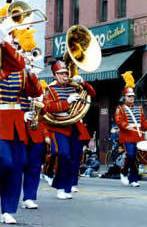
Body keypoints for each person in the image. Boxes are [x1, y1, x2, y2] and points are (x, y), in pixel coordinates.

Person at [0, 23, 42, 224]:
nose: (16, 48)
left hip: (16, 120)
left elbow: (35, 93)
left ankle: (8, 209)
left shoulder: (20, 69)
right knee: (5, 162)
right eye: (13, 43)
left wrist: (31, 72)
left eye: (17, 45)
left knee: (17, 166)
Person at [44, 60, 96, 199]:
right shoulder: (50, 89)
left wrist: (83, 83)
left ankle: (67, 188)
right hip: (59, 126)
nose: (65, 76)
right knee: (63, 155)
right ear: (55, 75)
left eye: (66, 73)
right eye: (61, 74)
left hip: (75, 126)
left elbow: (92, 93)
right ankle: (60, 187)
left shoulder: (74, 86)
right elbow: (47, 107)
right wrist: (66, 102)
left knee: (74, 158)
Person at [115, 71, 147, 187]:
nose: (131, 98)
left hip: (138, 136)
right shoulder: (121, 108)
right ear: (125, 97)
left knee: (136, 159)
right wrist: (126, 125)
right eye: (129, 96)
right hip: (127, 136)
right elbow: (118, 120)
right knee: (131, 155)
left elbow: (143, 122)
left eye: (132, 96)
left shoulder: (139, 108)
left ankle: (134, 179)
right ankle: (123, 172)